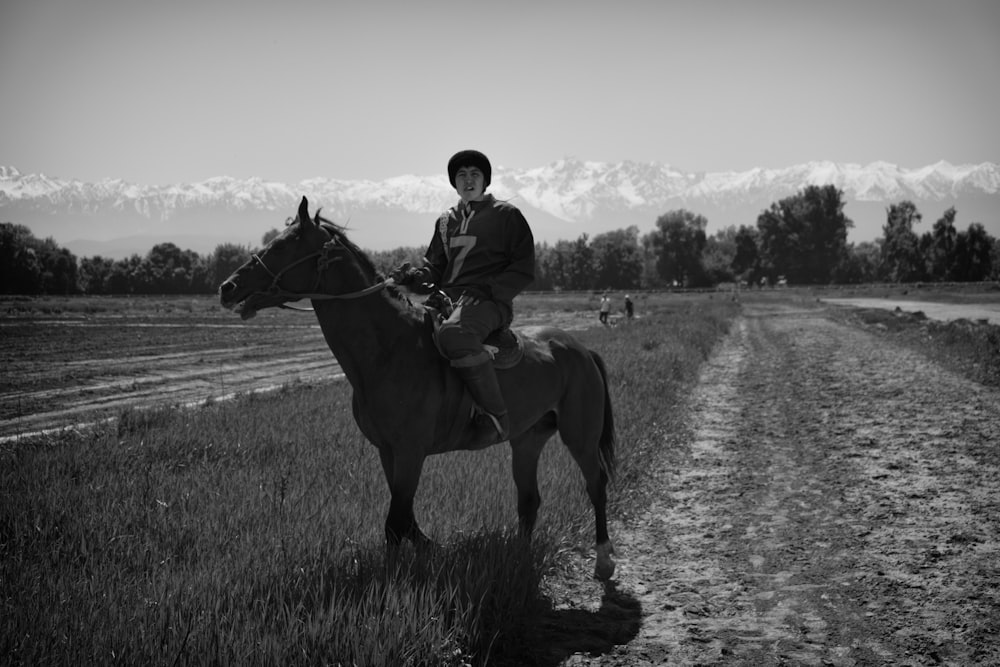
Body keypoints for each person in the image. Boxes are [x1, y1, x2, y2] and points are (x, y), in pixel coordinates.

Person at [392, 150, 535, 447]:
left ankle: (495, 418)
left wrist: (487, 290)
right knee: (405, 329)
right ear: (454, 183)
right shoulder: (446, 221)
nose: (468, 180)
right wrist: (413, 279)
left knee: (454, 334)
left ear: (485, 181)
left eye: (474, 174)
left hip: (488, 302)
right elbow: (435, 269)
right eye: (461, 175)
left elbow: (523, 267)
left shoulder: (507, 216)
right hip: (446, 299)